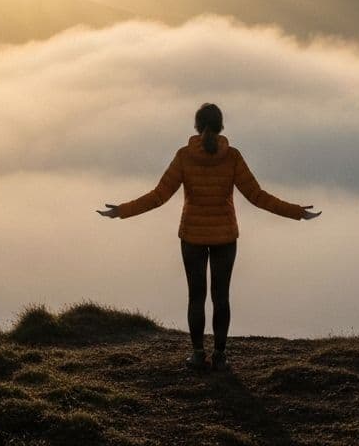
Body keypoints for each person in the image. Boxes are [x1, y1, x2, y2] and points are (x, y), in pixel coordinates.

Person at [98, 103, 320, 371]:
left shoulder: (184, 156)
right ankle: (220, 355)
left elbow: (158, 196)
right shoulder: (233, 157)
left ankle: (197, 354)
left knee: (196, 296)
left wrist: (121, 211)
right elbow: (258, 197)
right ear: (221, 126)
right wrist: (296, 212)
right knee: (221, 296)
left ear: (196, 125)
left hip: (191, 236)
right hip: (225, 237)